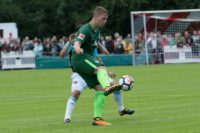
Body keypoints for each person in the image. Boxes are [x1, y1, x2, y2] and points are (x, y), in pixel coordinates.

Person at [60, 33, 135, 125]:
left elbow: (97, 58)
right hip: (79, 74)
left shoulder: (91, 45)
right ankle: (67, 117)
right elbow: (61, 55)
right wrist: (68, 42)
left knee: (116, 85)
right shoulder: (74, 43)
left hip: (93, 72)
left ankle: (121, 109)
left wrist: (106, 72)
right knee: (76, 93)